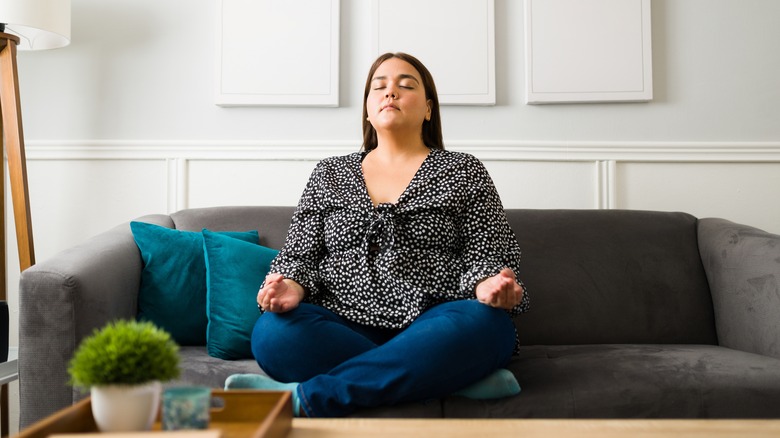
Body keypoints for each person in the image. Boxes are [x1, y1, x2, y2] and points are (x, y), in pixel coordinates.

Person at [225, 52, 530, 418]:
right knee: (272, 334)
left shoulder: (462, 170)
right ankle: (451, 378)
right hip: (340, 322)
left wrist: (487, 285)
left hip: (436, 324)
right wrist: (291, 285)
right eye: (379, 87)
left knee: (487, 325)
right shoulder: (329, 173)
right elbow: (298, 255)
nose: (391, 93)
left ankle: (304, 398)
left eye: (406, 85)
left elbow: (488, 251)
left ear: (429, 108)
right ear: (368, 110)